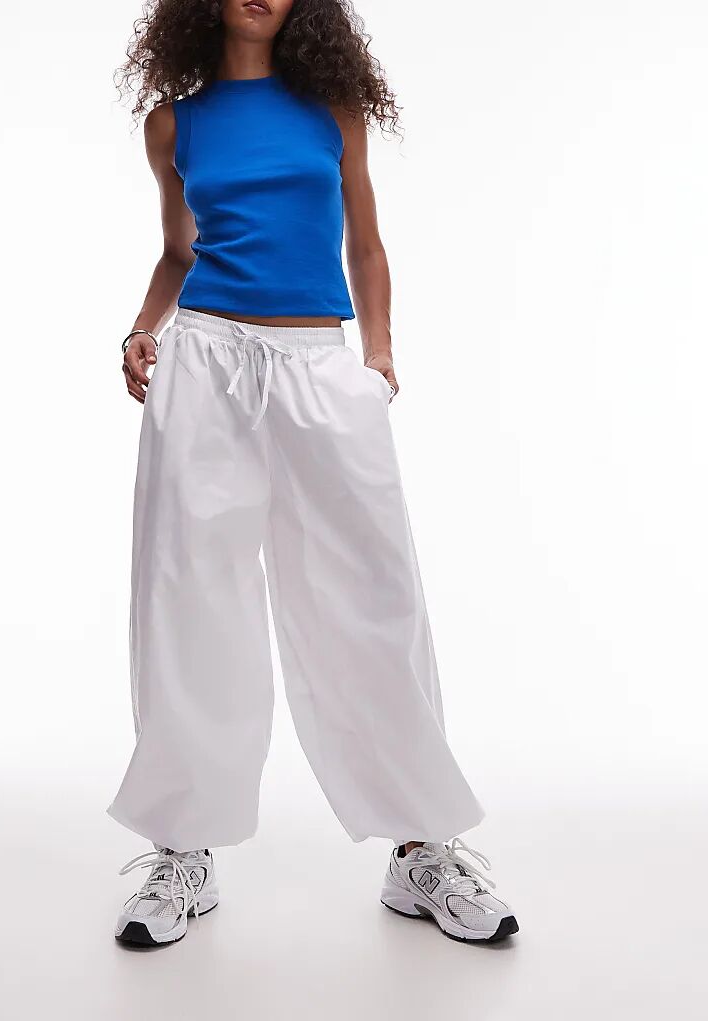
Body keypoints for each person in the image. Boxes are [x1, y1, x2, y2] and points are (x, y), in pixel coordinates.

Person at [108, 0, 518, 948]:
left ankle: (420, 850)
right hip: (205, 364)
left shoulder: (334, 113)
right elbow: (180, 252)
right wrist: (140, 329)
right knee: (190, 596)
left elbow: (364, 244)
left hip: (318, 364)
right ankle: (184, 851)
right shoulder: (171, 123)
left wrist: (378, 356)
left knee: (374, 594)